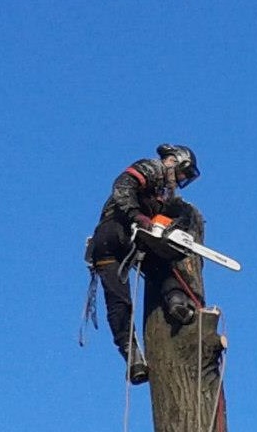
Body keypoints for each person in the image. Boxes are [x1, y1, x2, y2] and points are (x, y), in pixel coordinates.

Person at [85, 144, 204, 383]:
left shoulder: (165, 197)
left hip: (133, 239)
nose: (181, 179)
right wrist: (136, 215)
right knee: (119, 300)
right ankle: (132, 353)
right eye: (183, 173)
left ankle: (176, 301)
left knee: (159, 267)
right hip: (113, 232)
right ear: (175, 162)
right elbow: (122, 186)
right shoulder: (152, 169)